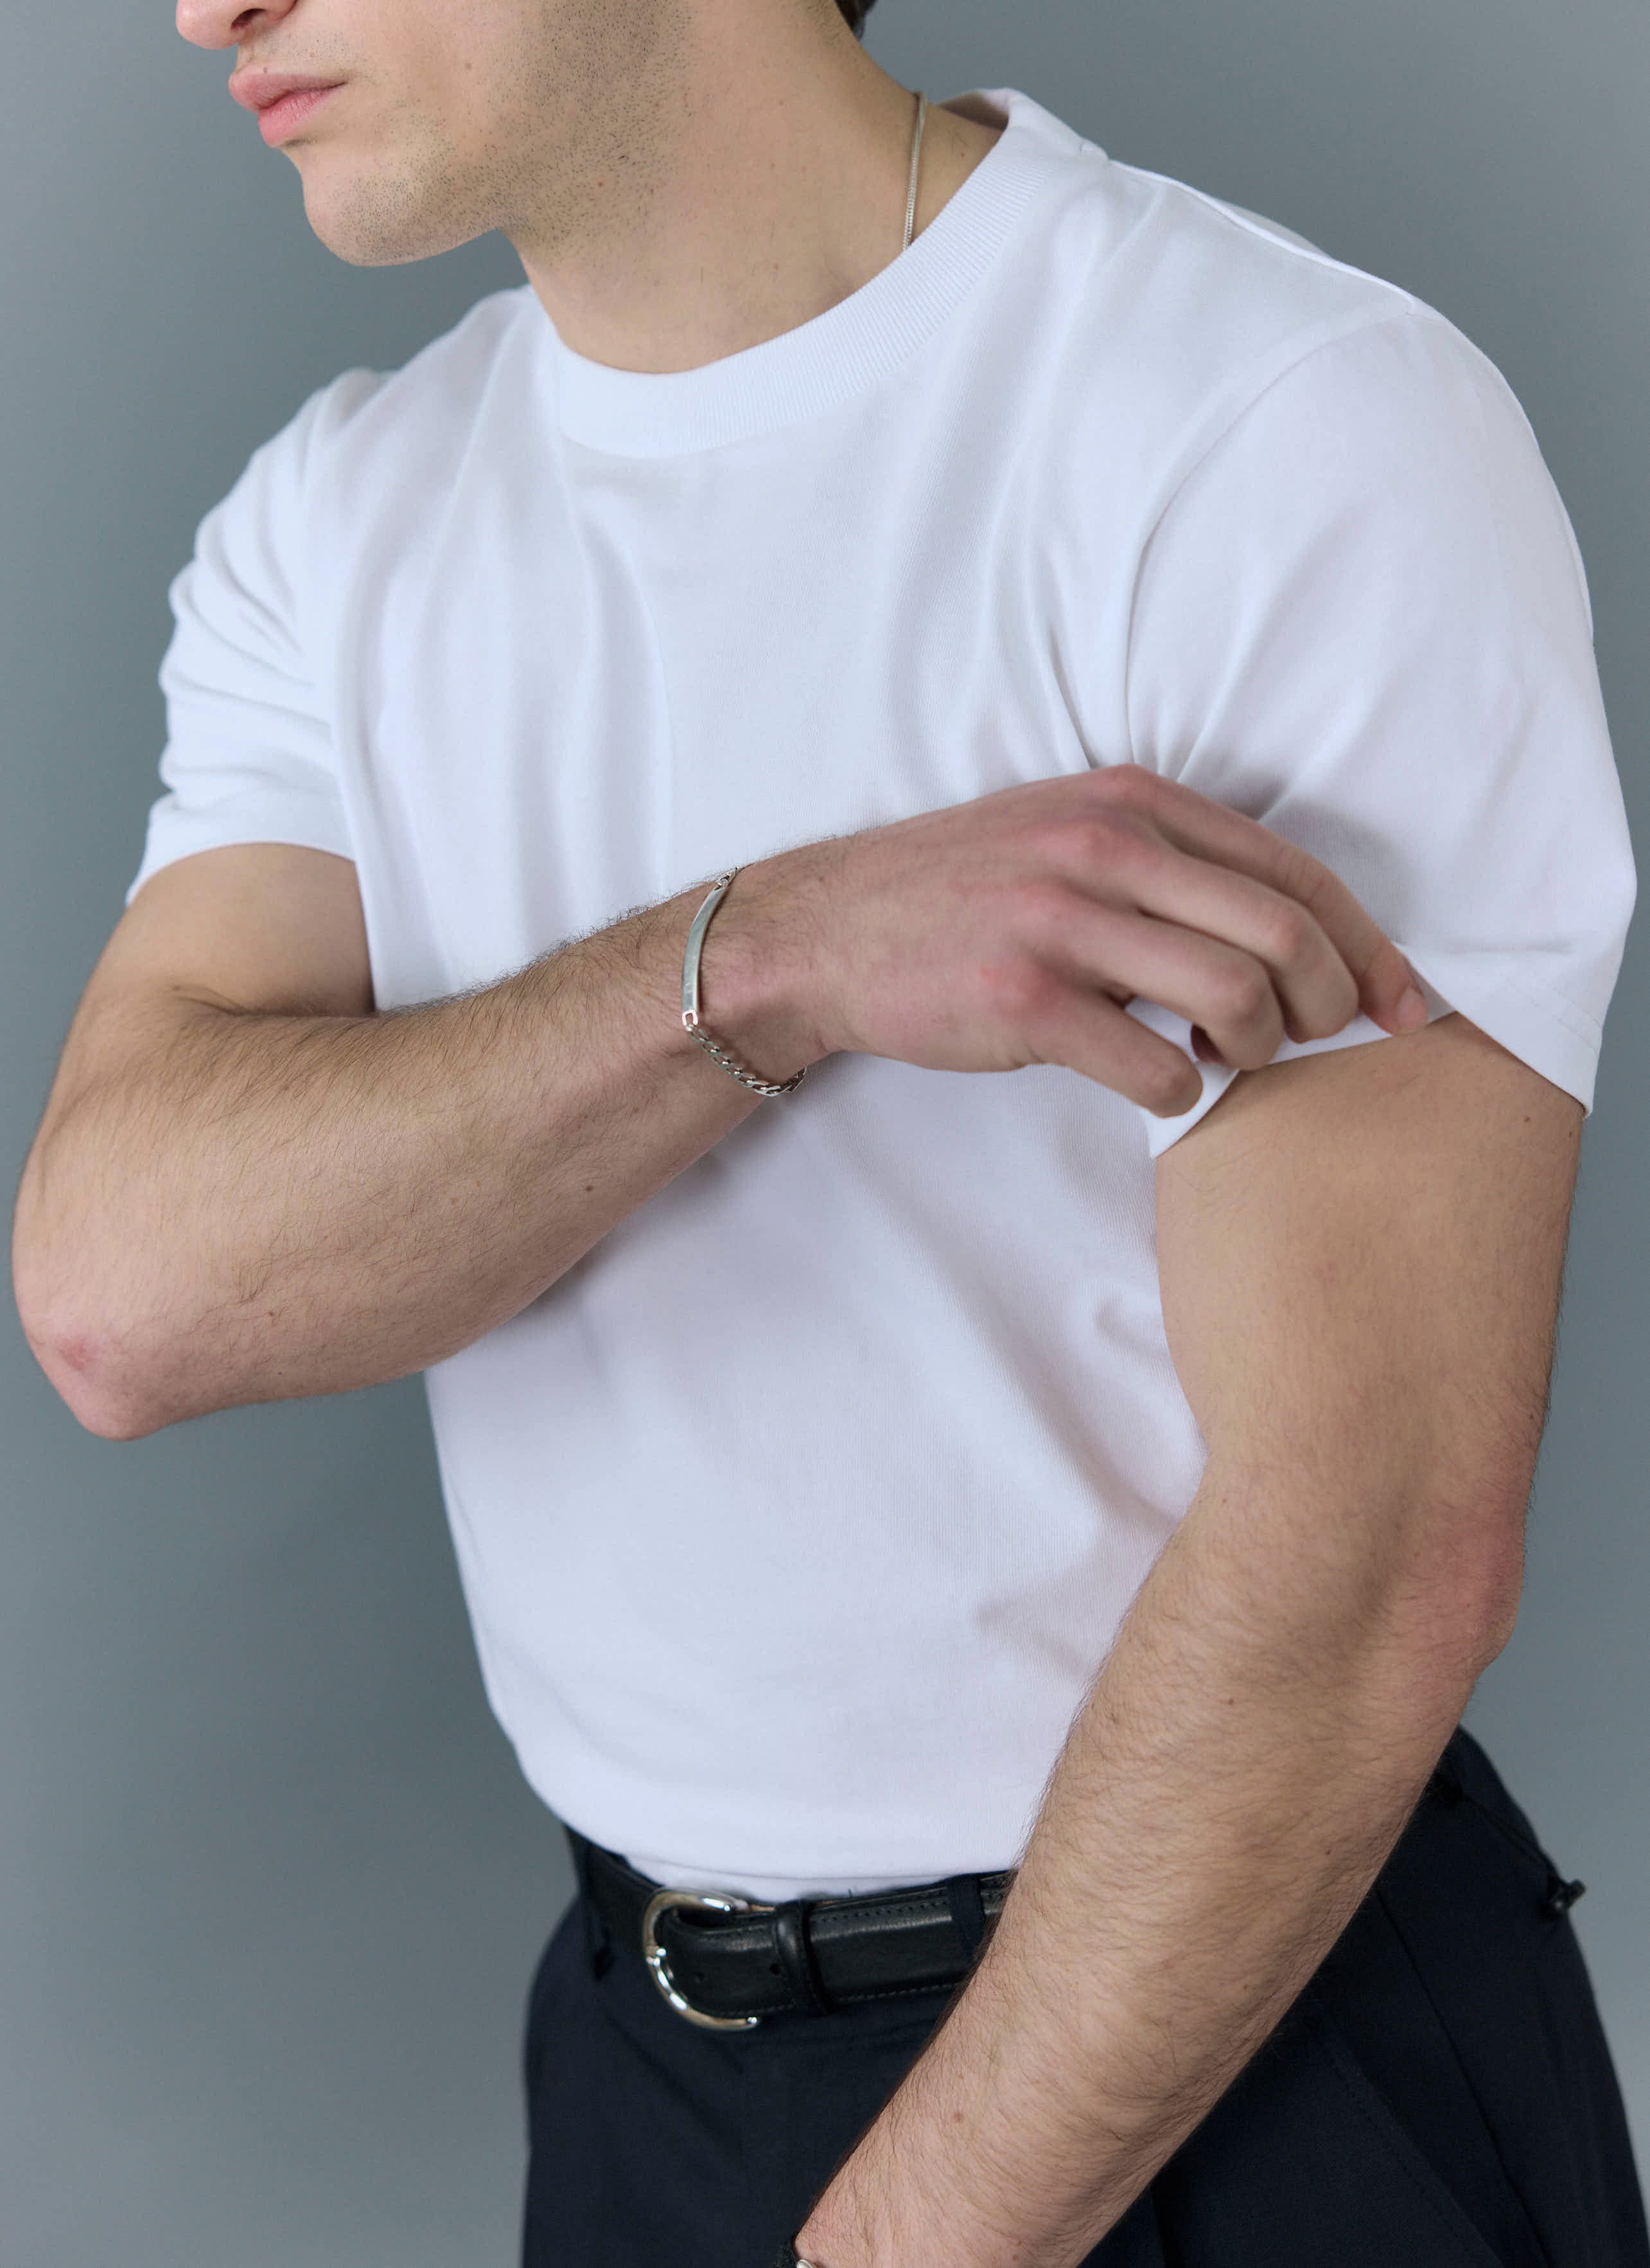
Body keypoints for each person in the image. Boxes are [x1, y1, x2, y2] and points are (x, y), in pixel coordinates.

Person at [11, 0, 1646, 2260]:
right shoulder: (343, 519)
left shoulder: (1266, 425)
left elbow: (1367, 1556)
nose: (208, 5)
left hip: (1236, 2065)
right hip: (638, 2069)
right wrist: (773, 957)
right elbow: (122, 1291)